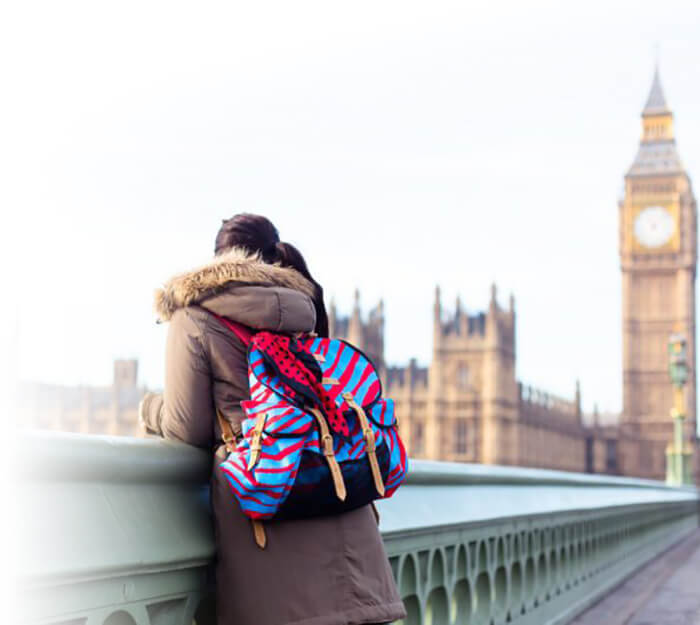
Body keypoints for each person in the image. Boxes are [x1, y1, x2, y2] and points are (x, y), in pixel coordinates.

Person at [140, 213, 406, 625]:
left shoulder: (193, 318)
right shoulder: (305, 314)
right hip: (348, 524)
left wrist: (149, 409)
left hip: (272, 528)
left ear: (216, 260)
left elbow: (186, 426)